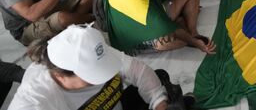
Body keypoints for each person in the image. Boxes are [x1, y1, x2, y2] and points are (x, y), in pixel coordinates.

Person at [8, 24, 186, 110]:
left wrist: (159, 104)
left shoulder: (90, 50)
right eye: (92, 76)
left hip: (120, 104)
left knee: (159, 78)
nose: (106, 77)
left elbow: (138, 70)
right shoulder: (35, 98)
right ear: (60, 75)